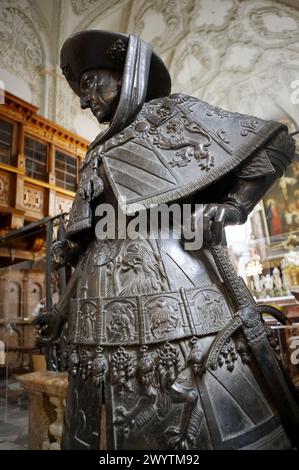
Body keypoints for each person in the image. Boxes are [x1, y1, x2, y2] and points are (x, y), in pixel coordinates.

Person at [35, 30, 298, 450]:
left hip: (181, 301)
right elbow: (88, 249)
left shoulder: (172, 114)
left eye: (90, 83)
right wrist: (62, 311)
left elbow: (274, 144)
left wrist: (232, 206)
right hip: (96, 317)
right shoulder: (96, 152)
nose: (85, 101)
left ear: (127, 73)